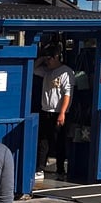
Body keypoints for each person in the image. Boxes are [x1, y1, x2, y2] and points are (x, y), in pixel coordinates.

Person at [33, 42, 74, 180]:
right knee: (43, 141)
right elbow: (33, 68)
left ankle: (60, 169)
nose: (47, 62)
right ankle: (40, 168)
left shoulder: (66, 72)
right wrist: (42, 59)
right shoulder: (46, 71)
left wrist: (62, 113)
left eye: (50, 58)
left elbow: (67, 94)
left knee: (58, 141)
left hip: (59, 112)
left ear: (57, 57)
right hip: (46, 110)